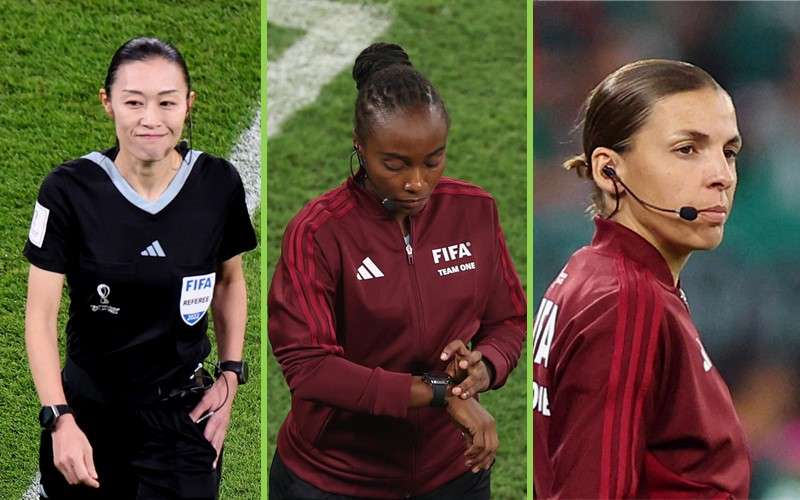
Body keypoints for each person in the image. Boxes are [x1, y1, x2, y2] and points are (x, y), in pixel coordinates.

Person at [268, 42, 526, 499]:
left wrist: (484, 367)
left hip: (453, 474)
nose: (417, 182)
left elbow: (507, 321)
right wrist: (439, 391)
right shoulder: (317, 234)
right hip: (334, 480)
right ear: (359, 146)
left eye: (433, 160)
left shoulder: (474, 210)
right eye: (395, 164)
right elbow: (310, 367)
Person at [23, 37, 257, 500]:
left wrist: (230, 375)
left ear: (188, 105)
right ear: (108, 103)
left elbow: (229, 281)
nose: (151, 119)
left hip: (183, 417)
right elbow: (39, 316)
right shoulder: (68, 190)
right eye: (134, 102)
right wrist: (59, 418)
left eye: (167, 102)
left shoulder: (218, 185)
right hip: (89, 415)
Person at [533, 59, 751, 498]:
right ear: (609, 171)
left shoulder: (595, 272)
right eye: (687, 149)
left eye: (728, 152)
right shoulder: (626, 298)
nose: (721, 176)